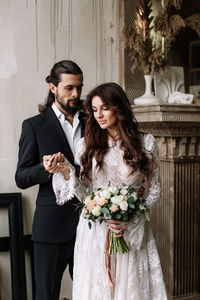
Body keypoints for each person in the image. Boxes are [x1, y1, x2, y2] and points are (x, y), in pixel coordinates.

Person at [52, 82, 168, 300]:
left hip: (131, 231)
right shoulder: (86, 146)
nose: (98, 115)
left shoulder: (145, 144)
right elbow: (86, 194)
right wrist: (67, 171)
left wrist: (131, 220)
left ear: (119, 108)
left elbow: (154, 190)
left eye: (104, 108)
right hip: (95, 233)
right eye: (94, 110)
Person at [15, 60, 84, 300]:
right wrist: (45, 169)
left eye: (79, 87)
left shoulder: (93, 123)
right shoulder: (33, 126)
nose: (76, 94)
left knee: (91, 293)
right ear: (52, 87)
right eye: (69, 88)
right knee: (46, 296)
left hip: (90, 226)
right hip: (50, 228)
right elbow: (21, 177)